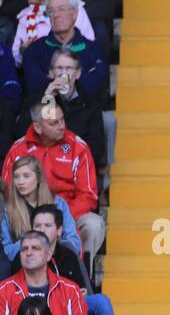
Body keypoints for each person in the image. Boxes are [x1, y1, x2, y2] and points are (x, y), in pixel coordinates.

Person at [2, 99, 100, 262]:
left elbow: (88, 195)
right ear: (38, 127)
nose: (61, 126)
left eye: (62, 120)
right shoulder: (18, 149)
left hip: (67, 210)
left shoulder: (78, 147)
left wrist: (59, 217)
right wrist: (34, 217)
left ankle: (80, 276)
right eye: (54, 123)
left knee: (94, 224)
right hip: (25, 213)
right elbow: (6, 191)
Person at [0, 229, 88, 315]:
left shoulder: (70, 289)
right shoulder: (3, 290)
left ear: (48, 255)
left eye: (35, 248)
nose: (28, 253)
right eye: (24, 249)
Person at [1, 152, 80, 265]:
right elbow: (6, 250)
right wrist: (31, 241)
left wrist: (51, 246)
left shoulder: (58, 203)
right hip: (23, 264)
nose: (20, 182)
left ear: (38, 178)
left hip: (57, 261)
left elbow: (73, 242)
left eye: (26, 176)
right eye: (16, 177)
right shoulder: (8, 210)